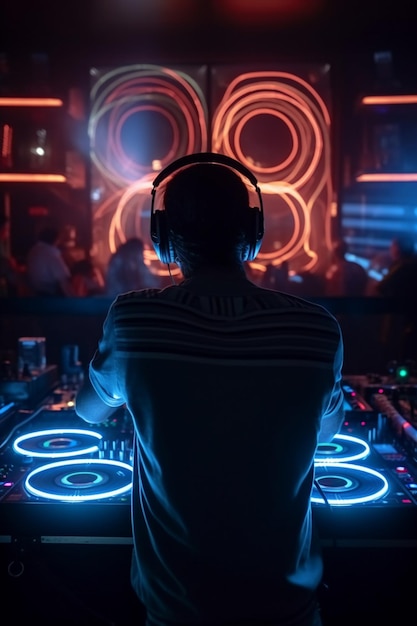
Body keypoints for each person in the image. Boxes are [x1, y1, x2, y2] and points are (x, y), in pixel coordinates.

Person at [75, 153, 345, 626]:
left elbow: (88, 412)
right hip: (289, 610)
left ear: (161, 238)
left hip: (177, 611)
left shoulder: (134, 318)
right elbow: (326, 433)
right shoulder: (316, 328)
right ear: (253, 233)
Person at [26, 225, 74, 296]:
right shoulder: (51, 254)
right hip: (49, 294)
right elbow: (64, 281)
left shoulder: (33, 250)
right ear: (55, 240)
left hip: (35, 292)